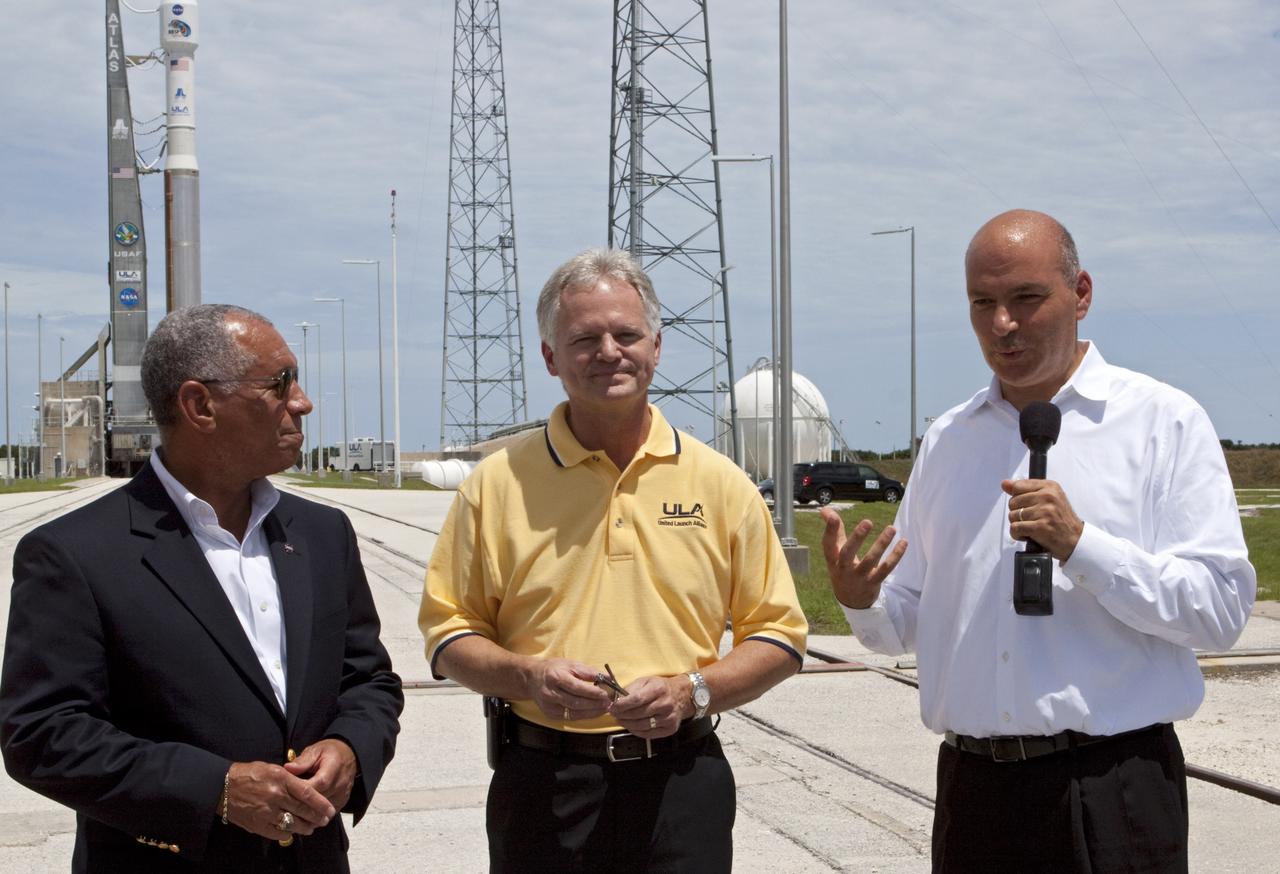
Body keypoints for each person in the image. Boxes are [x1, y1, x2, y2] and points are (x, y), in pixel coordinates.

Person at [823, 209, 1256, 873]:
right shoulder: (949, 440)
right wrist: (863, 602)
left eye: (1026, 298)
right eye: (982, 303)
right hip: (975, 795)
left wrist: (1084, 547)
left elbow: (1220, 613)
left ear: (1080, 293)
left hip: (1111, 792)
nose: (1002, 324)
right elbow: (902, 625)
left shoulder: (1161, 422)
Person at [420, 248, 808, 873]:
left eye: (627, 334)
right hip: (544, 785)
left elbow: (781, 638)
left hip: (682, 783)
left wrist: (693, 691)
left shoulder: (721, 484)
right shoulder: (494, 486)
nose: (609, 351)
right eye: (584, 338)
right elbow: (446, 635)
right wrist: (529, 678)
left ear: (656, 345)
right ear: (550, 357)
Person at [0, 304, 404, 872]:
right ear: (199, 405)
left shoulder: (322, 533)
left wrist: (350, 749)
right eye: (279, 383)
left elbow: (368, 679)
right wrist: (215, 787)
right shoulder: (74, 553)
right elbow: (42, 736)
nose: (302, 401)